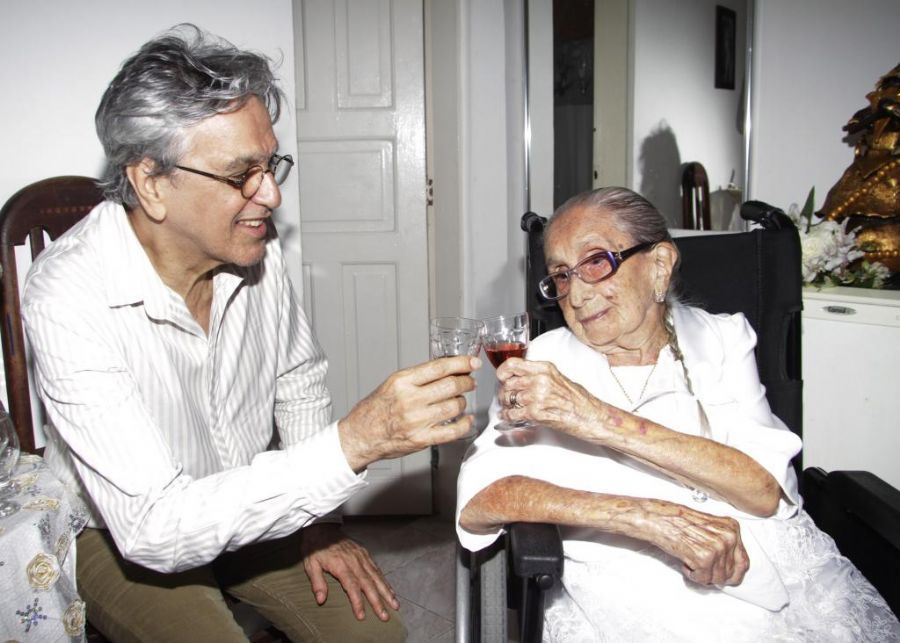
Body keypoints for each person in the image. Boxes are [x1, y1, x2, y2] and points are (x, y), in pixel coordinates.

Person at [22, 25, 479, 642]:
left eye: (270, 164)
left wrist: (318, 524)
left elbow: (299, 377)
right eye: (242, 173)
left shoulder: (257, 249)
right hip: (119, 534)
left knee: (375, 634)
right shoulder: (66, 293)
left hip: (245, 501)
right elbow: (154, 527)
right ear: (151, 183)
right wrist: (354, 442)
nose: (271, 193)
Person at [456, 187, 900, 641]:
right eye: (562, 276)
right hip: (635, 588)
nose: (578, 295)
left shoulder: (721, 340)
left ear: (660, 266)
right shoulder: (542, 363)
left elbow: (764, 492)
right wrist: (641, 518)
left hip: (770, 568)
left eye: (596, 262)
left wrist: (593, 417)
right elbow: (481, 499)